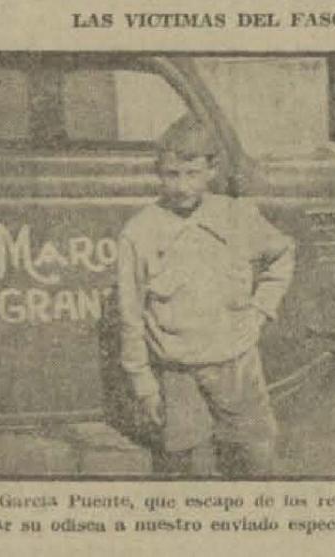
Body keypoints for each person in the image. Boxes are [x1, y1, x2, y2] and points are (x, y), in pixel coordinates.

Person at [116, 114, 295, 476]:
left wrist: (261, 311)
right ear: (158, 173)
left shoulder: (237, 216)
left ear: (211, 171)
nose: (182, 187)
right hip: (177, 374)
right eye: (171, 174)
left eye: (192, 174)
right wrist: (143, 384)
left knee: (256, 463)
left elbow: (283, 255)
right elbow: (130, 315)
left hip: (237, 368)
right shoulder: (140, 233)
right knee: (186, 472)